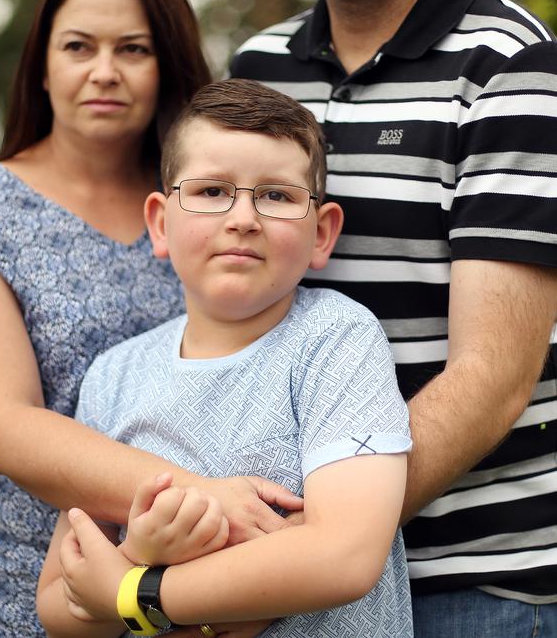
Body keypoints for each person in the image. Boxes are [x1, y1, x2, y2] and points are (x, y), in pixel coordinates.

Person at [230, 0, 557, 636]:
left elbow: (491, 379)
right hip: (291, 569)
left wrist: (318, 529)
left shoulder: (512, 64)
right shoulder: (256, 71)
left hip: (469, 583)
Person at [0, 0, 302, 638]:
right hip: (43, 595)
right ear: (41, 63)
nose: (104, 71)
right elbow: (2, 428)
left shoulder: (212, 199)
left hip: (221, 590)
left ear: (167, 65)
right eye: (77, 46)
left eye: (132, 49)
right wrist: (198, 496)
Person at [36, 78, 413, 638]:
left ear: (322, 233)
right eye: (212, 191)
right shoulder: (114, 375)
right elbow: (57, 605)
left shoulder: (337, 340)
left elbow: (345, 557)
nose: (242, 218)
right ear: (161, 224)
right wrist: (138, 550)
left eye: (277, 196)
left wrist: (135, 592)